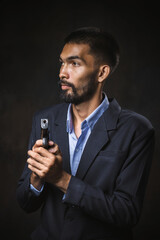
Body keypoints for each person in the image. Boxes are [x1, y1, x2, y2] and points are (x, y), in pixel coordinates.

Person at [16, 27, 155, 240]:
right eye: (62, 62)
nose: (62, 72)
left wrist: (61, 179)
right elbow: (26, 203)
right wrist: (37, 176)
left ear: (102, 73)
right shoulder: (44, 119)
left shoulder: (137, 129)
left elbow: (126, 213)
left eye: (74, 63)